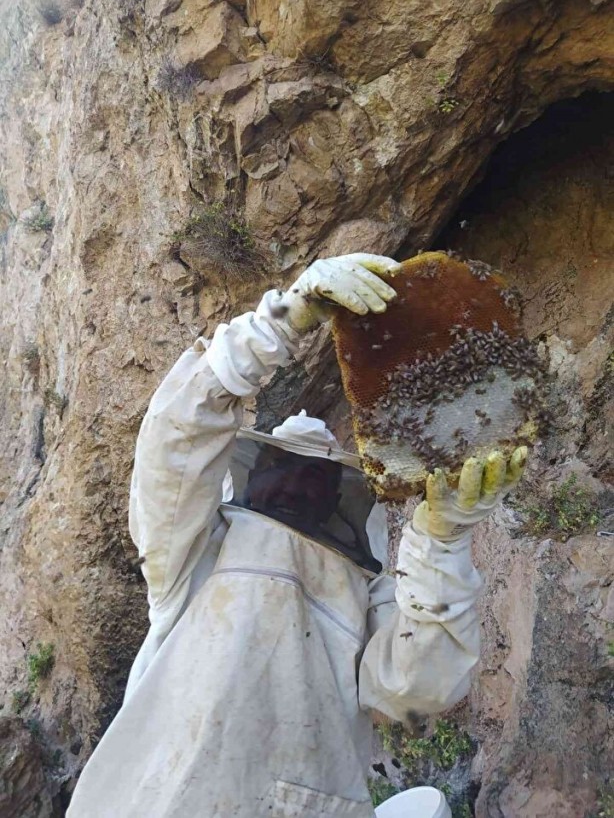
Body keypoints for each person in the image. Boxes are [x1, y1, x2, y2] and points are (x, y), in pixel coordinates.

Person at [67, 254, 527, 818]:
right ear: (255, 472)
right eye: (283, 466)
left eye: (316, 477)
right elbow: (173, 446)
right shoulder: (194, 554)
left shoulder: (367, 593)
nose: (296, 482)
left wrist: (443, 541)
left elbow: (418, 687)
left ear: (337, 498)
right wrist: (282, 320)